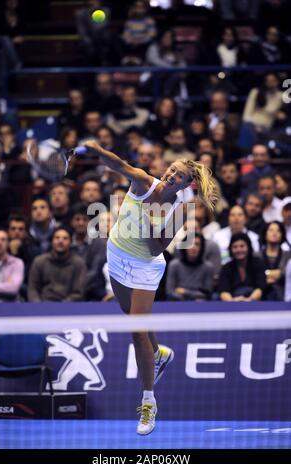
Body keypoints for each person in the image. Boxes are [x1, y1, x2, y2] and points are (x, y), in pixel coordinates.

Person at [81, 139, 217, 435]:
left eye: (178, 175)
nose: (171, 175)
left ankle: (148, 403)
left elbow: (157, 249)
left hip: (145, 267)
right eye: (171, 170)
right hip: (116, 255)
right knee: (132, 316)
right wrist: (98, 151)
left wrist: (152, 223)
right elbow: (119, 164)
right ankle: (159, 354)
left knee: (136, 329)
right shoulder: (143, 181)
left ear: (184, 185)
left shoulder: (180, 210)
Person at [28, 227, 87, 302]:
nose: (60, 241)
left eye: (65, 238)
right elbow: (33, 289)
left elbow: (78, 292)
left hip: (69, 308)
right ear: (52, 241)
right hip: (43, 306)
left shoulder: (79, 264)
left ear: (70, 242)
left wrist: (61, 308)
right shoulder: (39, 262)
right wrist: (39, 307)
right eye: (57, 238)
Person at [219, 233, 266, 302]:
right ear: (231, 249)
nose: (238, 250)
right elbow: (223, 291)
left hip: (255, 303)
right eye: (235, 247)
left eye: (242, 246)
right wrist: (232, 301)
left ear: (248, 247)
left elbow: (260, 287)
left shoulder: (257, 263)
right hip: (232, 303)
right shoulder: (226, 267)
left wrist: (248, 300)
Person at [0, 229, 24, 302]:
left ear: (8, 243)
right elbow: (8, 287)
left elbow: (13, 288)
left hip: (9, 306)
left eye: (3, 240)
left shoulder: (17, 263)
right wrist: (5, 286)